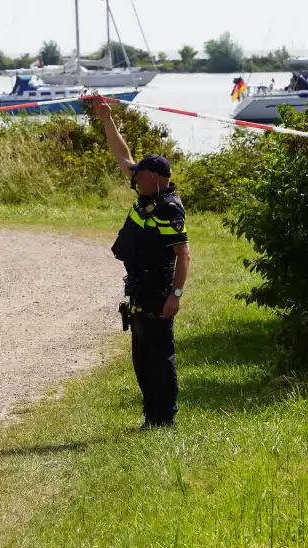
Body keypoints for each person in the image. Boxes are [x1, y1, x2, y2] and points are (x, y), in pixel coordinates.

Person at [91, 99, 191, 429]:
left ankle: (166, 418)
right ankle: (151, 417)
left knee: (160, 356)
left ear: (155, 177)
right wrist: (106, 118)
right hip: (139, 287)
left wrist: (175, 294)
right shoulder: (148, 193)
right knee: (142, 357)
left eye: (140, 175)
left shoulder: (168, 209)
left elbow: (184, 255)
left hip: (159, 288)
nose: (133, 179)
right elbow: (123, 156)